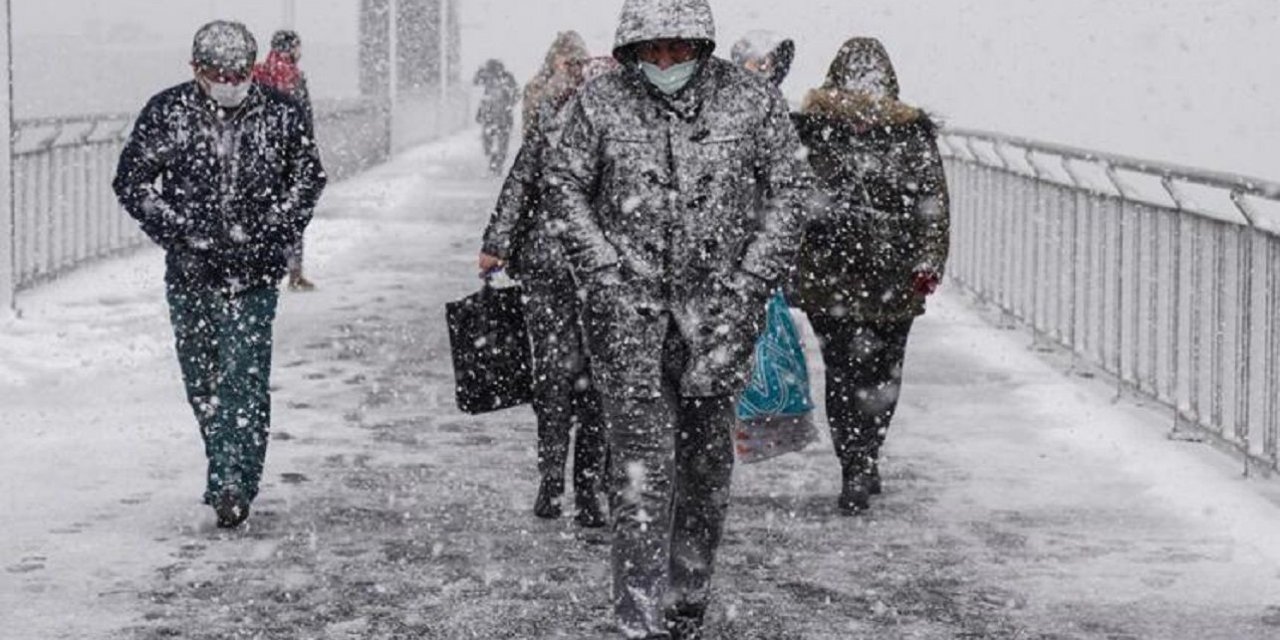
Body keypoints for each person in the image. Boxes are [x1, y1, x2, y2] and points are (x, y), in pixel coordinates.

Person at [545, 1, 812, 637]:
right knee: (640, 471)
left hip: (719, 321)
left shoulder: (749, 101)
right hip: (626, 323)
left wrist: (749, 280)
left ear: (703, 44)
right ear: (632, 49)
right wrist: (605, 272)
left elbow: (791, 191)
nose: (665, 62)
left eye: (679, 48)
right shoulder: (599, 103)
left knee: (705, 468)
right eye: (652, 50)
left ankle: (686, 599)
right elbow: (562, 183)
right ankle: (636, 617)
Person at [113, 21, 327, 528]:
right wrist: (181, 231)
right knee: (202, 380)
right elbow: (133, 181)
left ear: (251, 69)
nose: (228, 81)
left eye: (236, 72)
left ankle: (234, 483)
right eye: (216, 73)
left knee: (243, 378)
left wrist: (273, 231)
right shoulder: (168, 113)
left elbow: (307, 179)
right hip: (191, 272)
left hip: (253, 274)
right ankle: (225, 461)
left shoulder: (281, 114)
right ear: (196, 70)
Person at [790, 37, 950, 515]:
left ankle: (861, 455)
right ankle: (857, 461)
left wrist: (929, 261)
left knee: (856, 373)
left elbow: (932, 203)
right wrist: (925, 259)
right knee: (870, 372)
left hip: (858, 276)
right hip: (870, 275)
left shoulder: (826, 130)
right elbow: (933, 205)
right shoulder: (821, 130)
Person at [476, 57, 620, 529]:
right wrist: (495, 245)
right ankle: (581, 488)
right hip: (586, 273)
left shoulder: (553, 128)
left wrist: (496, 245)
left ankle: (559, 484)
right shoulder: (617, 137)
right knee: (588, 382)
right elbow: (520, 186)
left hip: (562, 268)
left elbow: (517, 188)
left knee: (561, 379)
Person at [253, 29, 318, 291]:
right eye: (298, 47)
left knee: (262, 214)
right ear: (292, 48)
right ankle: (294, 273)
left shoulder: (257, 72)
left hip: (260, 155)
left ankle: (260, 273)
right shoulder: (294, 76)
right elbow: (302, 117)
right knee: (293, 214)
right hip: (289, 156)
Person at [520, 31, 589, 139]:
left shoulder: (589, 86)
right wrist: (551, 95)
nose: (575, 69)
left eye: (580, 63)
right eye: (569, 63)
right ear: (555, 61)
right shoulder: (536, 87)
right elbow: (530, 133)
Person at [472, 59, 520, 174]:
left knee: (501, 142)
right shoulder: (487, 77)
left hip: (501, 116)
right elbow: (475, 82)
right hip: (491, 115)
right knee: (490, 141)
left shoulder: (507, 78)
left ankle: (497, 162)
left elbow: (517, 93)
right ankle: (495, 159)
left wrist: (509, 103)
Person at [729, 30, 795, 88]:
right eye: (758, 61)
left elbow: (787, 48)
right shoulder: (735, 89)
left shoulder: (769, 86)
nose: (764, 64)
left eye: (761, 61)